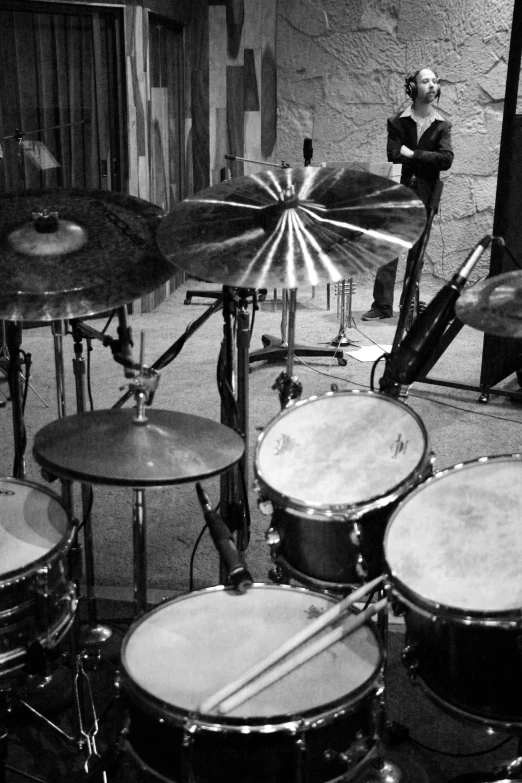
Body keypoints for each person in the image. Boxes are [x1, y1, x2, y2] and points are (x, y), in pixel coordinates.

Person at [362, 67, 454, 320]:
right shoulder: (396, 122)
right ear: (412, 88)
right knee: (388, 248)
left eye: (435, 81)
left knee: (417, 253)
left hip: (426, 194)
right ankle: (381, 306)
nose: (433, 85)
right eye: (426, 81)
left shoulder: (442, 126)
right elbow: (393, 155)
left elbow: (446, 159)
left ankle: (408, 304)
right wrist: (426, 159)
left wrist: (412, 154)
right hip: (398, 192)